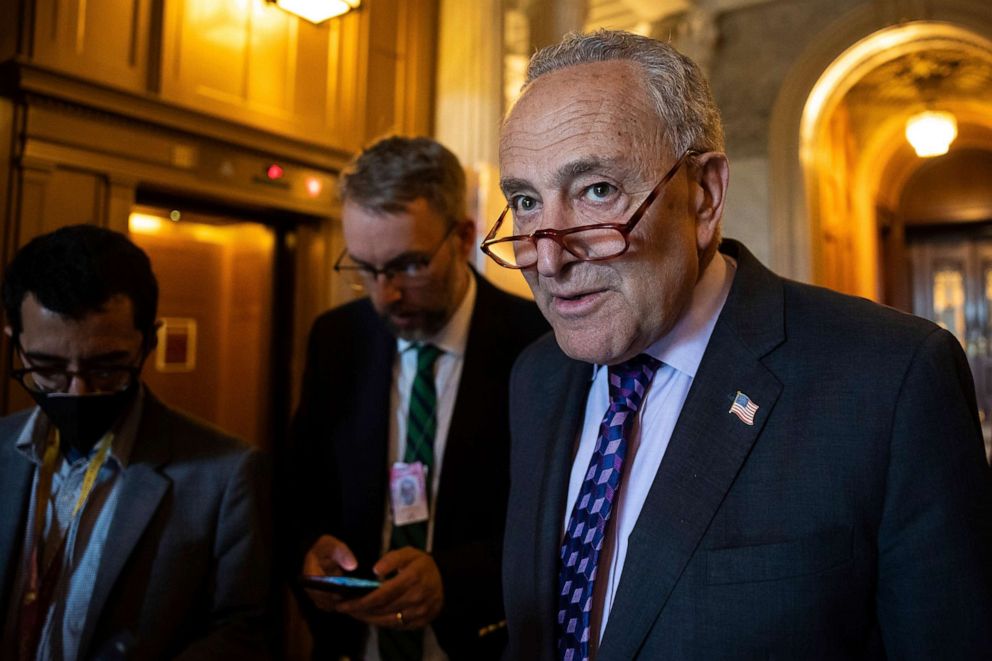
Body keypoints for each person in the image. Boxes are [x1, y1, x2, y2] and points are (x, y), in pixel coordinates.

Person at [486, 30, 992, 660]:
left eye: (597, 190)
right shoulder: (536, 376)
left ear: (704, 196)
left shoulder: (892, 380)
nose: (549, 256)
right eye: (526, 201)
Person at [289, 136, 548, 660]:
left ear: (463, 237)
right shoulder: (337, 339)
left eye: (408, 265)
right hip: (353, 643)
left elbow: (557, 522)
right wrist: (309, 548)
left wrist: (452, 578)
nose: (386, 294)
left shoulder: (540, 345)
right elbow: (300, 487)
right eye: (364, 268)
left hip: (483, 642)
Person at [0, 225, 272, 660]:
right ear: (15, 342)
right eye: (48, 368)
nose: (77, 393)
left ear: (148, 343)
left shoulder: (224, 473)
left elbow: (245, 634)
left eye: (107, 368)